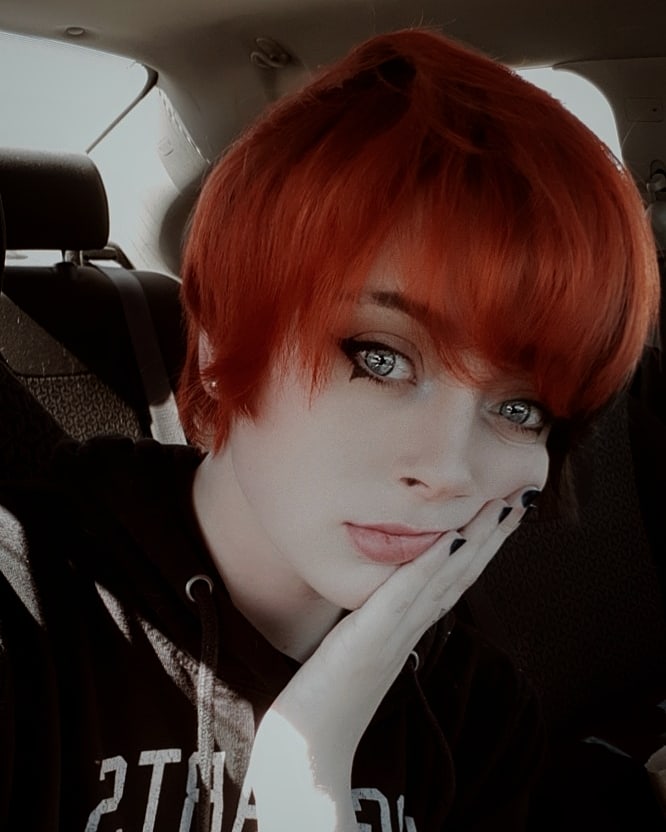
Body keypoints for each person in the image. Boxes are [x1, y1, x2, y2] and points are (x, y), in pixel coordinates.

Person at [0, 27, 659, 832]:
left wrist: (303, 782)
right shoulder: (28, 609)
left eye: (520, 409)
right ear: (219, 347)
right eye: (380, 358)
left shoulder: (478, 715)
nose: (449, 471)